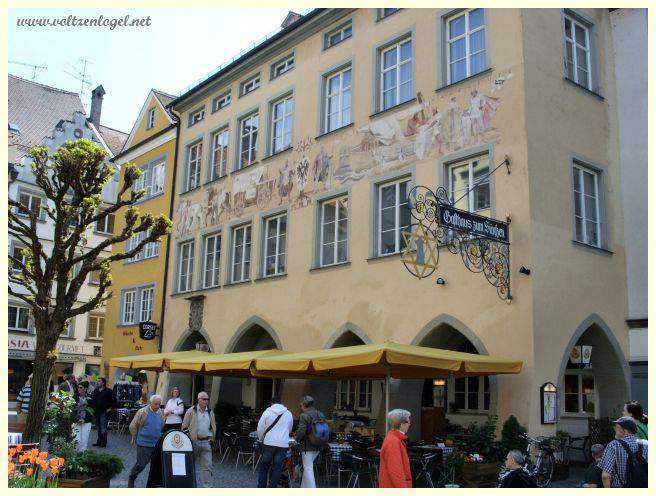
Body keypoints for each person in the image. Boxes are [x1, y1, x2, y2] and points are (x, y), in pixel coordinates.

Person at [599, 416, 648, 487]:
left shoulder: (614, 445)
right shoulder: (646, 444)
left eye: (617, 427)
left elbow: (605, 476)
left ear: (624, 431)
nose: (614, 429)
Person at [128, 394, 164, 488]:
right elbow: (133, 426)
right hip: (143, 443)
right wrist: (135, 437)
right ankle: (132, 477)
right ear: (150, 403)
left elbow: (161, 425)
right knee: (141, 464)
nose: (157, 406)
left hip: (156, 444)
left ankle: (153, 484)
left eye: (159, 404)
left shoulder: (160, 412)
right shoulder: (143, 412)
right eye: (156, 404)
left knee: (155, 466)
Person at [257, 396, 294, 488]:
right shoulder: (288, 413)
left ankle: (261, 487)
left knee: (264, 466)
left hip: (268, 443)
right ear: (281, 403)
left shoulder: (267, 412)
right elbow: (289, 429)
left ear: (272, 403)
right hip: (282, 444)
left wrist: (261, 438)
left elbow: (260, 427)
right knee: (277, 468)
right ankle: (272, 488)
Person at [181, 391, 216, 488]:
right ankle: (188, 485)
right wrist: (189, 440)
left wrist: (212, 437)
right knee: (189, 465)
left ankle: (207, 487)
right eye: (204, 399)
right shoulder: (191, 411)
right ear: (198, 400)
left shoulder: (210, 411)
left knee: (208, 466)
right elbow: (184, 427)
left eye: (207, 399)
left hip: (206, 442)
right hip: (194, 442)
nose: (206, 401)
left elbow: (213, 425)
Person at [295, 395, 327, 488]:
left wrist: (296, 439)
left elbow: (301, 431)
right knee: (307, 468)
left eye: (301, 405)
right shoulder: (320, 414)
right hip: (319, 444)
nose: (300, 407)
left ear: (304, 405)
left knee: (308, 468)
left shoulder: (304, 415)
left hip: (307, 446)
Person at [379, 409, 413, 488]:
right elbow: (396, 472)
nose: (410, 424)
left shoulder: (393, 438)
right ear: (402, 424)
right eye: (408, 421)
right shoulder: (393, 442)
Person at [91, 377, 114, 447]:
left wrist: (110, 408)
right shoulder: (96, 390)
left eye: (99, 381)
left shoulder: (108, 391)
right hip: (96, 412)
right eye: (97, 381)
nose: (97, 382)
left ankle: (103, 443)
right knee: (98, 427)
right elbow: (93, 399)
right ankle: (99, 441)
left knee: (103, 427)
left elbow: (113, 400)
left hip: (104, 412)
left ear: (103, 383)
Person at [73, 382, 94, 452]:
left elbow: (92, 411)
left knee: (84, 441)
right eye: (78, 387)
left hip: (86, 422)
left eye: (81, 387)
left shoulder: (90, 398)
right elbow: (72, 410)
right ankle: (75, 455)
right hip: (76, 421)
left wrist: (84, 419)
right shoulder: (74, 397)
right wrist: (76, 418)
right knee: (76, 440)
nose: (79, 389)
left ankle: (81, 457)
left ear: (85, 389)